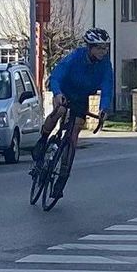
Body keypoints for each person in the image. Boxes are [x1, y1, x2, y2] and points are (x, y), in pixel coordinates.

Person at [32, 27, 113, 199]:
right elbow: (56, 76)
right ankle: (43, 140)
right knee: (60, 110)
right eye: (99, 48)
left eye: (105, 47)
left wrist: (104, 108)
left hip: (81, 96)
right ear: (89, 47)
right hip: (64, 91)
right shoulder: (75, 57)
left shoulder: (105, 64)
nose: (103, 51)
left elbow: (107, 87)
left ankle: (62, 176)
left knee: (74, 131)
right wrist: (58, 93)